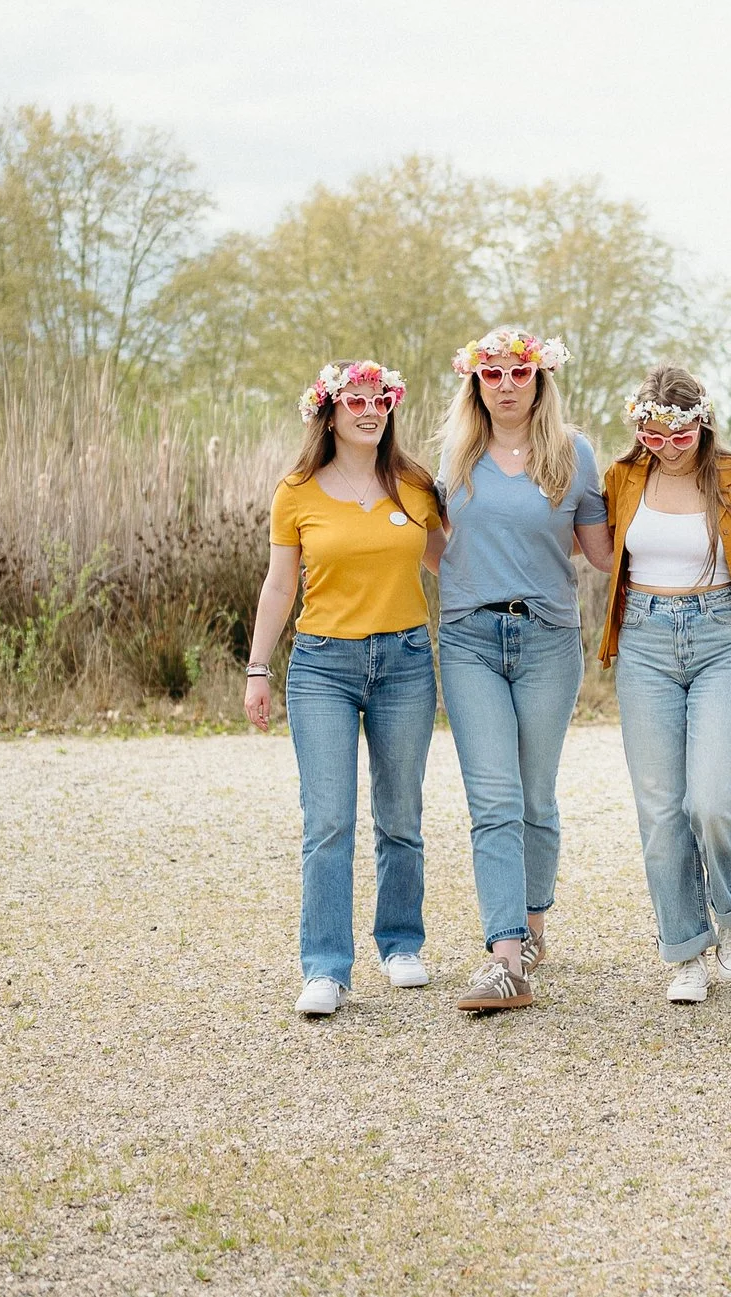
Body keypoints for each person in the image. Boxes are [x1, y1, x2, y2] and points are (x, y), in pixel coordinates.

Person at [244, 360, 445, 1018]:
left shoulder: (415, 484)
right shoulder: (296, 491)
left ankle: (400, 942)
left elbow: (455, 560)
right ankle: (326, 966)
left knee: (401, 815)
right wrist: (256, 668)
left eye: (379, 399)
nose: (370, 409)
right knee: (328, 820)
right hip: (322, 666)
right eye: (355, 399)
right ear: (328, 411)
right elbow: (280, 586)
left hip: (406, 660)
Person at [432, 328, 613, 1014]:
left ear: (540, 379)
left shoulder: (574, 453)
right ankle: (504, 957)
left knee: (535, 794)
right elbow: (432, 542)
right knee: (494, 798)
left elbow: (599, 552)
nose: (506, 385)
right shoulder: (453, 456)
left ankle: (535, 926)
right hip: (470, 638)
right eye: (493, 374)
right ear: (474, 382)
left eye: (519, 373)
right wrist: (472, 579)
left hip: (546, 641)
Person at [598, 366, 731, 1005]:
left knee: (713, 798)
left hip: (720, 637)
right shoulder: (623, 478)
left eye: (680, 435)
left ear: (702, 424)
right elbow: (603, 552)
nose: (668, 447)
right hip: (646, 640)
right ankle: (683, 946)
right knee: (660, 809)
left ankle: (729, 909)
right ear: (640, 431)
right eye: (654, 436)